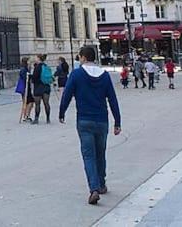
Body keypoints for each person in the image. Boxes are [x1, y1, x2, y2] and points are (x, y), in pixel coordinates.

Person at [59, 45, 121, 206]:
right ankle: (101, 183)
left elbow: (67, 94)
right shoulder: (105, 76)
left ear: (83, 58)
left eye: (79, 57)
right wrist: (117, 122)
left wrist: (62, 112)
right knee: (101, 153)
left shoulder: (77, 74)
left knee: (88, 155)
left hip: (84, 120)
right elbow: (112, 99)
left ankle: (93, 188)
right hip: (102, 120)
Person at [31, 53, 52, 124]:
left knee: (37, 104)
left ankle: (36, 119)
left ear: (39, 59)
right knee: (46, 103)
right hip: (46, 86)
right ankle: (48, 118)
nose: (35, 59)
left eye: (36, 58)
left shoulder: (37, 67)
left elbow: (34, 78)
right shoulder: (46, 66)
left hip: (38, 87)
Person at [16, 56, 33, 122]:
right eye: (29, 61)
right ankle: (26, 115)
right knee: (28, 102)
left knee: (28, 102)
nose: (30, 62)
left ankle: (26, 115)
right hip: (25, 88)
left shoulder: (26, 69)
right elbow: (25, 78)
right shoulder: (24, 69)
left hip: (27, 87)